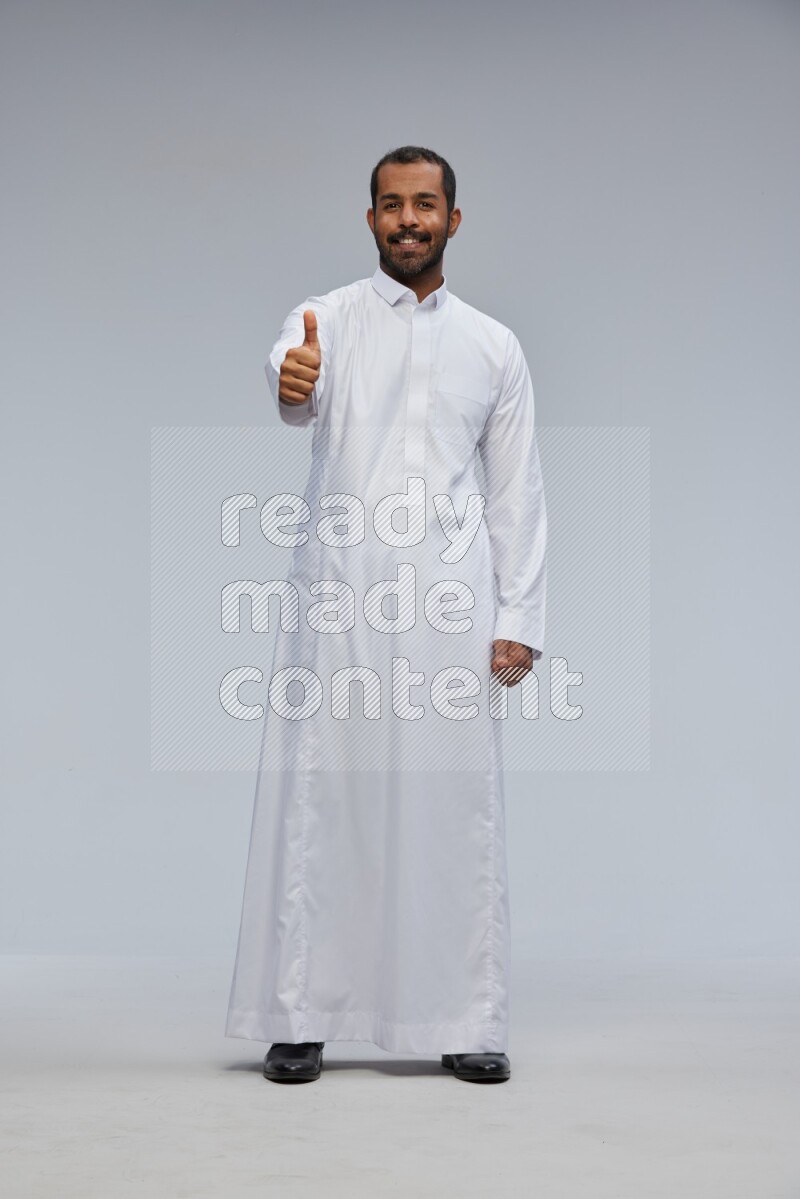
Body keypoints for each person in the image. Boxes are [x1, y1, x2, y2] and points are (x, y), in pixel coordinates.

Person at [225, 145, 547, 1085]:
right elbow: (297, 384)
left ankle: (464, 1018)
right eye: (391, 205)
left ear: (454, 218)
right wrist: (295, 381)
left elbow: (517, 488)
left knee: (455, 807)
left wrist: (519, 612)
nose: (408, 220)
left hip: (453, 605)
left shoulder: (494, 346)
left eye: (426, 204)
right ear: (369, 219)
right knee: (326, 800)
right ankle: (301, 1013)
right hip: (341, 601)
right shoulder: (324, 317)